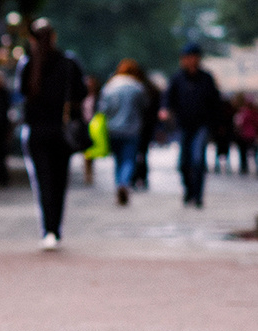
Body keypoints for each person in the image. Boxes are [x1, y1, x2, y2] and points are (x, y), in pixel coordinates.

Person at [16, 19, 85, 249]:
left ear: (32, 40)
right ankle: (55, 228)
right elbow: (81, 92)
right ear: (54, 37)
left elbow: (22, 93)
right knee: (59, 181)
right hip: (60, 130)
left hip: (36, 131)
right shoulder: (68, 63)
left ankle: (48, 230)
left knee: (43, 181)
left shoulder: (27, 65)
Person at [164, 43, 225, 209]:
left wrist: (218, 124)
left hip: (202, 125)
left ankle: (198, 195)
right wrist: (165, 110)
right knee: (183, 162)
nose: (190, 61)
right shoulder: (177, 78)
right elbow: (168, 97)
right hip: (183, 125)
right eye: (186, 58)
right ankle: (188, 190)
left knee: (198, 159)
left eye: (193, 57)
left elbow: (216, 102)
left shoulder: (206, 78)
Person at [97, 59, 150, 206]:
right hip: (132, 129)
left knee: (118, 160)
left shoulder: (110, 86)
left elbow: (103, 108)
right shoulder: (137, 87)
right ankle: (124, 183)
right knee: (129, 159)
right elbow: (145, 106)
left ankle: (119, 184)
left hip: (113, 129)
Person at [234, 93, 257, 175]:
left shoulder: (244, 112)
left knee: (244, 152)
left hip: (245, 135)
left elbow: (239, 123)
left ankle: (244, 166)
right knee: (252, 152)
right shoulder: (254, 112)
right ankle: (249, 166)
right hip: (251, 135)